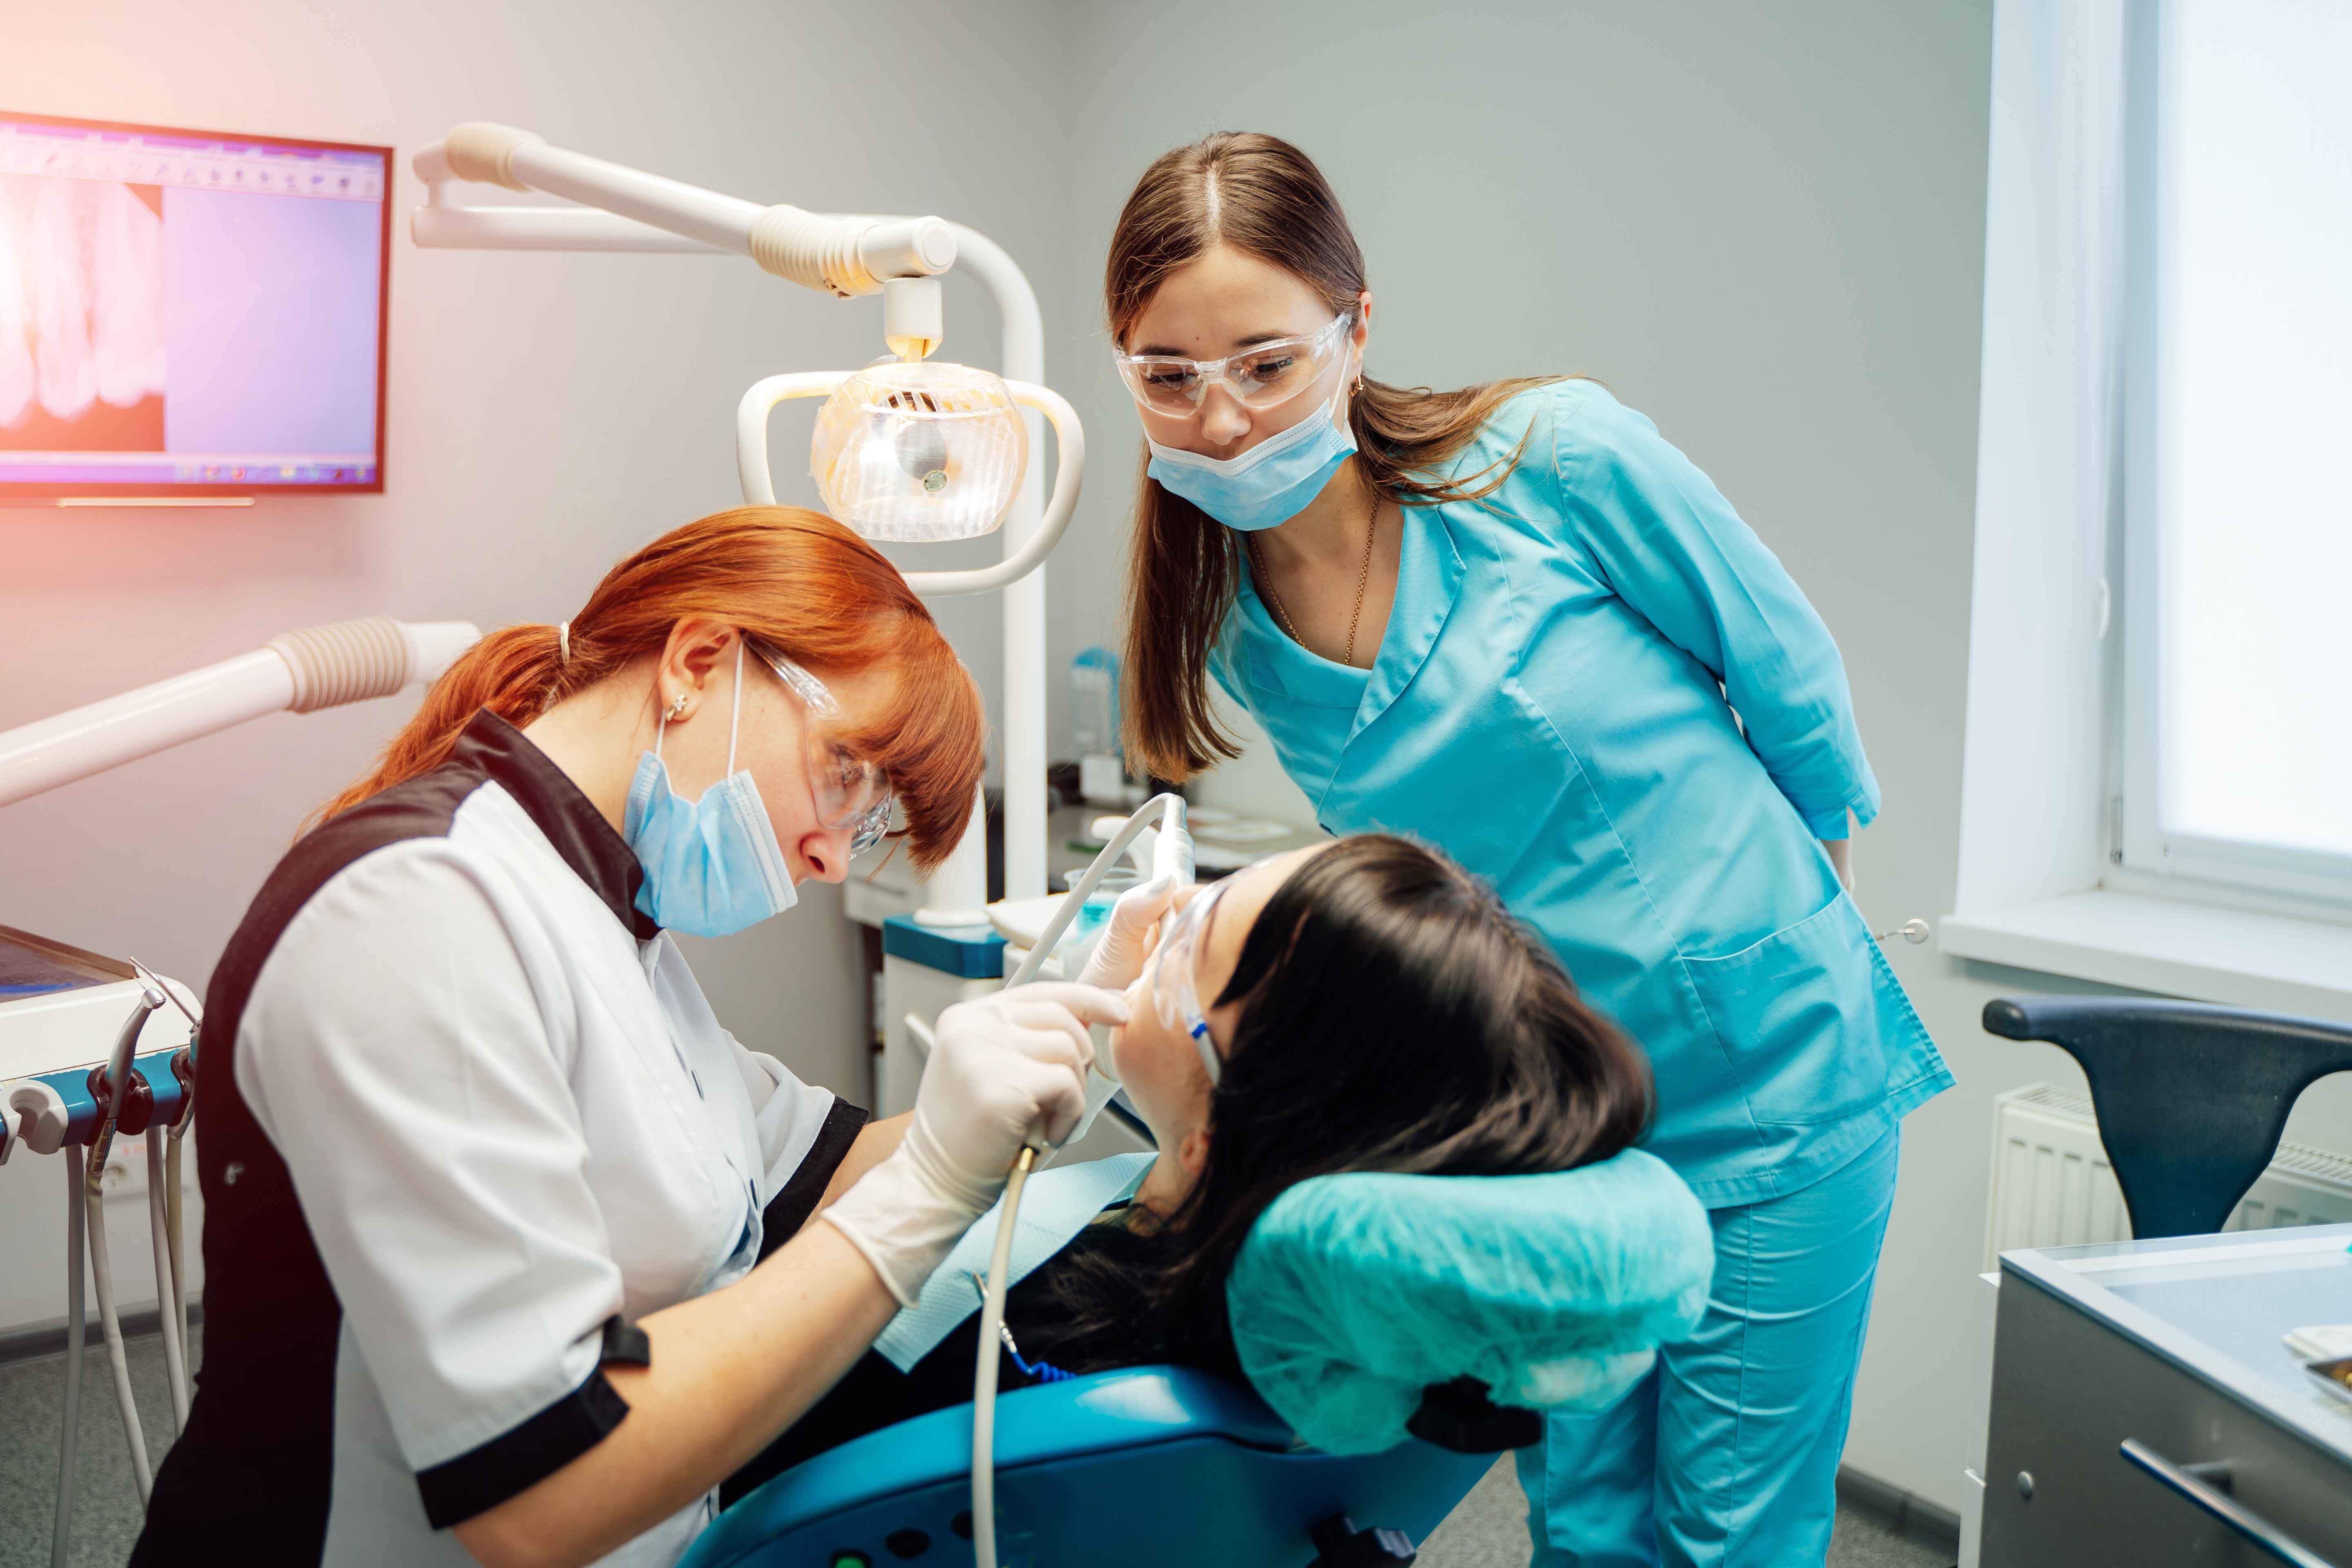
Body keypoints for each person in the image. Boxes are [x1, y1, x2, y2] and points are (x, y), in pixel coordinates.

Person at [1102, 134, 1952, 1567]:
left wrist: (1782, 928)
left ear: (1354, 328)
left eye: (1264, 362)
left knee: (1730, 1530)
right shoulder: (1240, 628)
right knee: (1578, 1516)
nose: (1226, 421)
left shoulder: (1549, 459)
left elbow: (1785, 675)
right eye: (1168, 379)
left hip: (1770, 1071)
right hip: (1545, 1123)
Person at [130, 506, 1129, 1568]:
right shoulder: (422, 908)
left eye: (869, 824)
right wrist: (923, 1200)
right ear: (698, 661)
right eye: (844, 777)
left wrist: (1103, 1028)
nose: (836, 858)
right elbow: (540, 1487)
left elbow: (819, 1171)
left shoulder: (609, 922)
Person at [724, 831, 1654, 1492]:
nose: (1167, 915)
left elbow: (745, 1426)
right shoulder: (1339, 1334)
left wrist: (931, 1178)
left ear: (1214, 1130)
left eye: (1195, 939)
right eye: (1213, 886)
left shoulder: (1046, 1365)